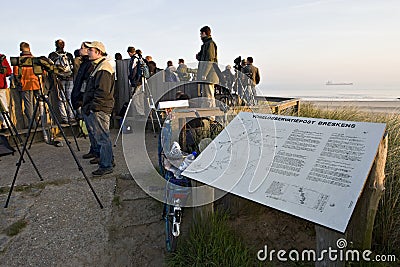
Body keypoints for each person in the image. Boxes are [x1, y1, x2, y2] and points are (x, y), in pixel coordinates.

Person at [82, 41, 115, 176]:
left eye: (91, 50)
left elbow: (103, 92)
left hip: (100, 108)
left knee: (102, 137)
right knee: (102, 137)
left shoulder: (103, 67)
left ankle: (106, 165)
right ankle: (108, 161)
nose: (88, 52)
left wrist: (93, 107)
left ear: (98, 52)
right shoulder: (98, 66)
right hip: (98, 107)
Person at [13, 42, 53, 144]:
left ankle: (33, 125)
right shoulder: (36, 60)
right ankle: (44, 124)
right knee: (41, 104)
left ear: (21, 49)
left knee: (28, 105)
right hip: (37, 83)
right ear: (29, 48)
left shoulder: (19, 61)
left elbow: (16, 74)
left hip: (25, 85)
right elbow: (43, 72)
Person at [48, 39, 75, 124]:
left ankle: (65, 118)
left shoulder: (52, 55)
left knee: (62, 99)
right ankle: (71, 116)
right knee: (68, 98)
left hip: (60, 79)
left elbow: (50, 68)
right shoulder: (69, 55)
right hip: (68, 78)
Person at [196, 25, 218, 107]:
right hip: (207, 75)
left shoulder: (210, 44)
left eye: (201, 34)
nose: (200, 36)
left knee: (209, 97)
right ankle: (207, 116)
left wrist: (204, 74)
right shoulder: (206, 44)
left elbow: (209, 60)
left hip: (209, 75)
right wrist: (199, 57)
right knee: (206, 97)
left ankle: (211, 116)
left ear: (204, 33)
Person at [127, 46, 145, 116]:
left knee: (135, 98)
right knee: (140, 98)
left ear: (129, 52)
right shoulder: (140, 58)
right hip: (141, 80)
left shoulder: (134, 59)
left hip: (136, 81)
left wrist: (131, 78)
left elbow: (133, 70)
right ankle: (142, 112)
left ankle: (140, 113)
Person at [0, 53, 12, 131]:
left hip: (1, 85)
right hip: (1, 84)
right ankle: (6, 124)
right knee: (4, 106)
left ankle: (5, 124)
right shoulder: (2, 57)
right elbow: (8, 72)